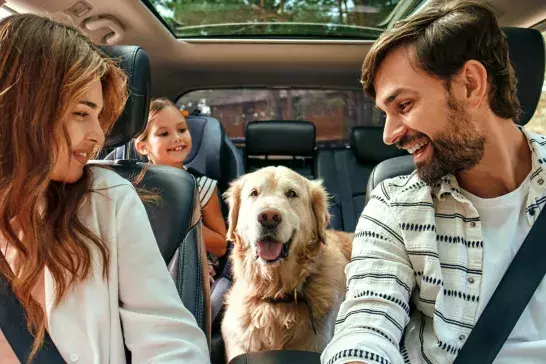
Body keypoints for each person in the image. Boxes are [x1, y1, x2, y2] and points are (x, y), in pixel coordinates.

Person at [322, 1, 546, 363]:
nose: (389, 135)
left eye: (404, 105)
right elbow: (369, 319)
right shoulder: (394, 205)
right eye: (385, 114)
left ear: (471, 85)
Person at [0, 14, 210, 363]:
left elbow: (167, 338)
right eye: (82, 113)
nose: (99, 136)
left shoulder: (106, 198)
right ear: (23, 108)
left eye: (99, 116)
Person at [134, 98, 228, 283]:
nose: (177, 137)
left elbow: (221, 246)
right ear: (143, 146)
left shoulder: (203, 187)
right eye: (164, 133)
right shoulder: (133, 188)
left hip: (191, 270)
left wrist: (176, 223)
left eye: (182, 130)